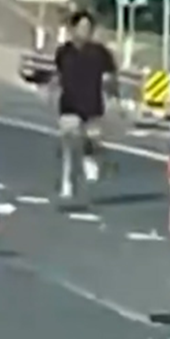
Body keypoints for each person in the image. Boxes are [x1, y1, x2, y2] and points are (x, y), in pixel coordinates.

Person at [50, 10, 119, 200]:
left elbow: (110, 76)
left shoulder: (100, 53)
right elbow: (57, 76)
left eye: (88, 28)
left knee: (92, 140)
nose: (85, 31)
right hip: (69, 105)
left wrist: (112, 97)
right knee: (69, 145)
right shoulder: (64, 52)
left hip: (92, 104)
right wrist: (51, 93)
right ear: (73, 29)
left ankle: (89, 158)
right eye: (81, 27)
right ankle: (67, 182)